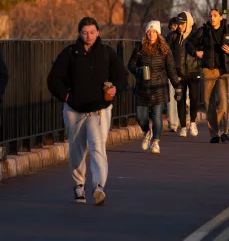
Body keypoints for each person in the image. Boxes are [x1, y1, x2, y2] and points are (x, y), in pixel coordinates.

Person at [47, 17, 128, 205]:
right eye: (84, 32)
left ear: (98, 32)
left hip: (99, 110)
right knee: (77, 149)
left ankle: (99, 186)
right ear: (79, 33)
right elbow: (53, 80)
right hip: (74, 110)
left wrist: (115, 88)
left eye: (92, 32)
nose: (89, 36)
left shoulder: (107, 53)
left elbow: (122, 76)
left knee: (97, 147)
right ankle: (79, 185)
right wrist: (67, 97)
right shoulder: (69, 53)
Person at [188, 9, 229, 143]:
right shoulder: (203, 31)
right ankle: (214, 134)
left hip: (223, 70)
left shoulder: (228, 31)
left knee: (224, 102)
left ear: (220, 18)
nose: (212, 18)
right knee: (209, 103)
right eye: (210, 16)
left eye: (215, 16)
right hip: (208, 70)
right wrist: (195, 52)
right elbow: (188, 43)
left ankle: (224, 131)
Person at [128, 20, 181, 154]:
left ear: (158, 33)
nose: (151, 34)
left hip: (159, 87)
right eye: (149, 31)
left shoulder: (164, 49)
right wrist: (138, 70)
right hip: (143, 88)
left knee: (157, 116)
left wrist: (177, 87)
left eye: (154, 31)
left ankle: (156, 142)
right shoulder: (139, 48)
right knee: (141, 117)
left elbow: (171, 69)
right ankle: (147, 132)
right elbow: (131, 65)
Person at [167, 11, 200, 137]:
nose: (180, 26)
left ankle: (192, 122)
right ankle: (183, 126)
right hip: (179, 73)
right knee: (179, 100)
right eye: (178, 24)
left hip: (193, 70)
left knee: (194, 97)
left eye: (182, 24)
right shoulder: (173, 36)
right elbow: (167, 52)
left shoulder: (196, 34)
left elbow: (203, 46)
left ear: (188, 23)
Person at [166, 17, 180, 132]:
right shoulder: (167, 39)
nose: (173, 28)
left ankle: (185, 118)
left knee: (184, 97)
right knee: (171, 97)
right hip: (171, 70)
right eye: (171, 27)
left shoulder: (186, 37)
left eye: (175, 26)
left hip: (183, 71)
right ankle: (173, 123)